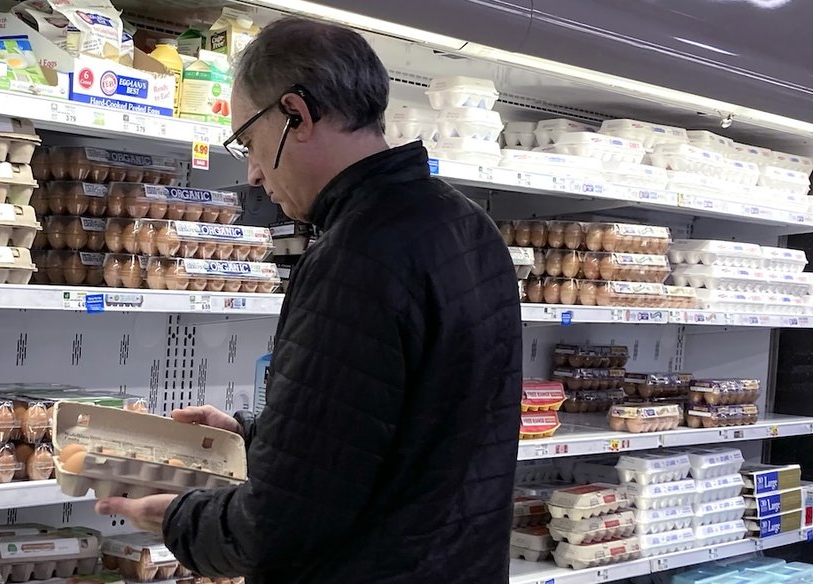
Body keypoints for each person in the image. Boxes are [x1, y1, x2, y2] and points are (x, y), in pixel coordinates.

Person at [95, 16, 523, 584]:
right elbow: (406, 432)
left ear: (295, 114)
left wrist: (176, 518)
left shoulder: (357, 255)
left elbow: (280, 523)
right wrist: (253, 437)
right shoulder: (470, 227)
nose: (250, 174)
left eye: (248, 140)